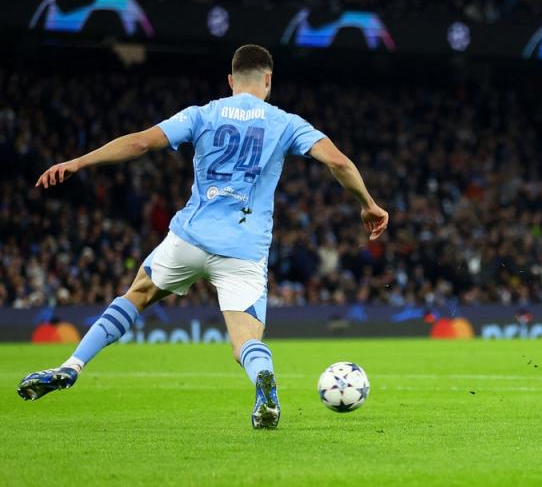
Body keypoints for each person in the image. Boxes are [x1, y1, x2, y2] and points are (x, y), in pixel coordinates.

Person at [16, 44, 389, 429]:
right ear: (268, 80)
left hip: (189, 238)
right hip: (243, 251)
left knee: (138, 294)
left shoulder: (202, 113)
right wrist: (368, 204)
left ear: (230, 80)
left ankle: (72, 365)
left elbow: (141, 142)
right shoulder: (287, 122)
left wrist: (78, 161)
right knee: (245, 342)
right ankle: (262, 380)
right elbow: (338, 162)